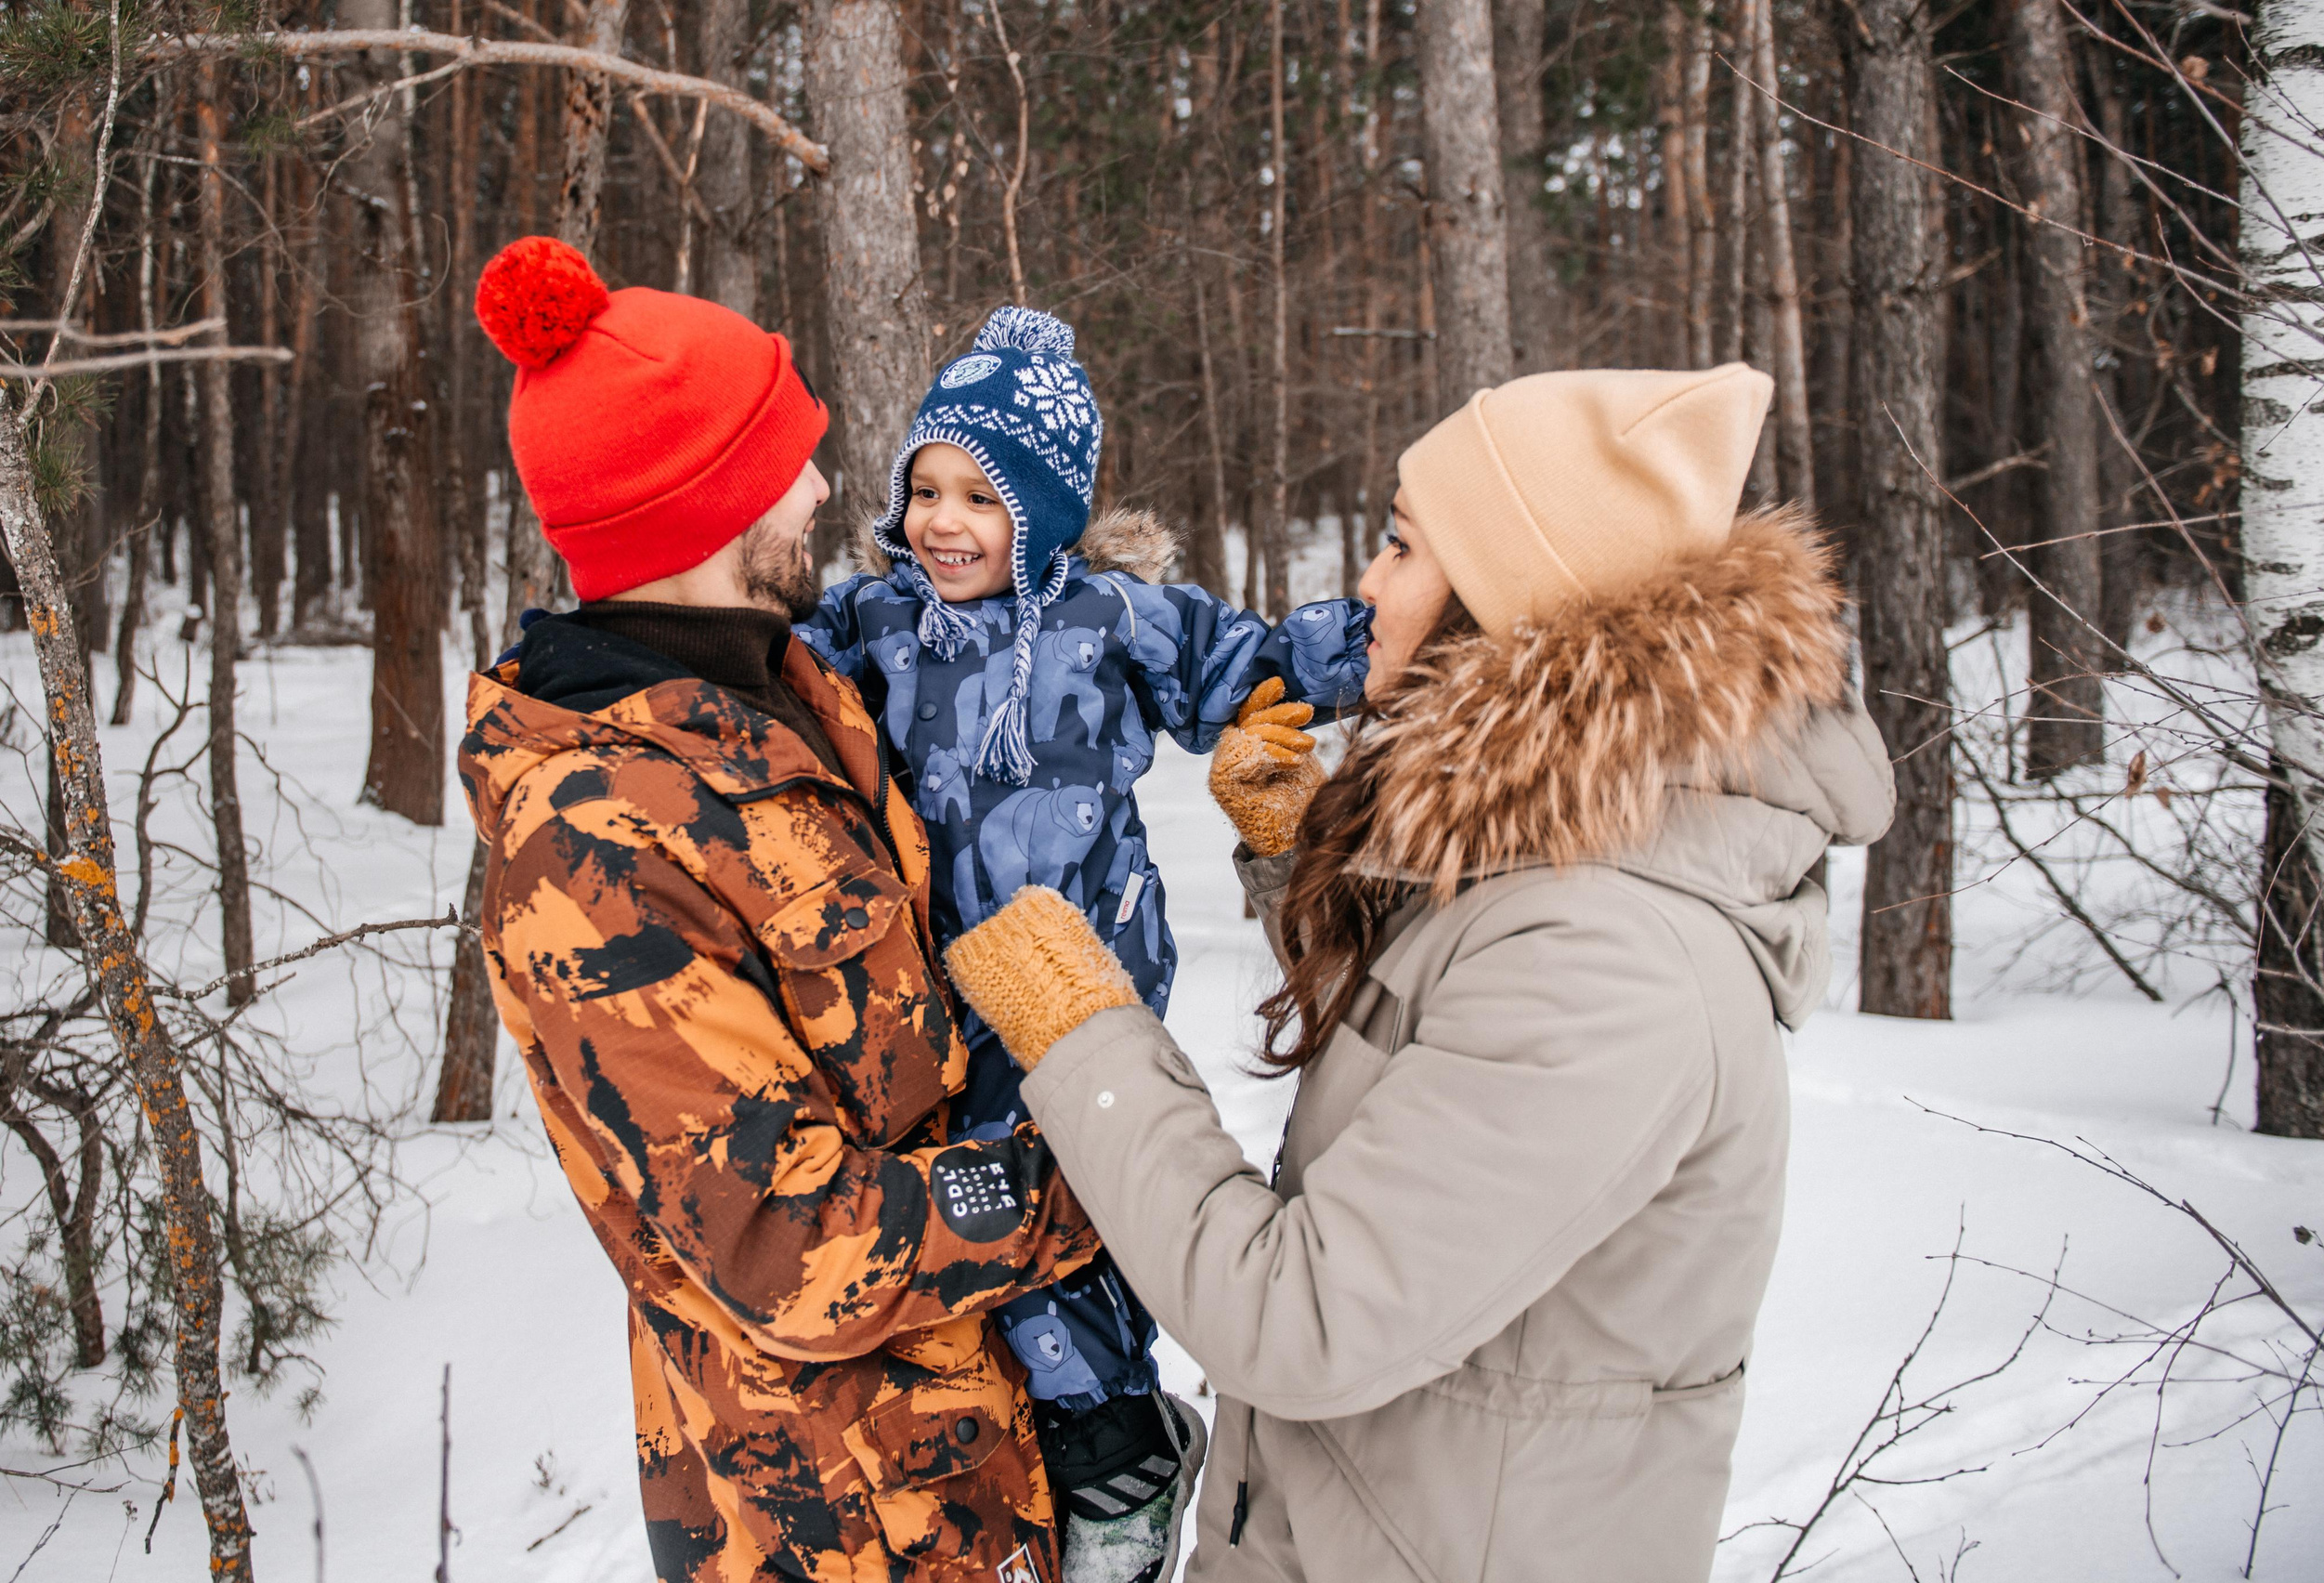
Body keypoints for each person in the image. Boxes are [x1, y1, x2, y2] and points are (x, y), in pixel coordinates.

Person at [936, 364, 1900, 1581]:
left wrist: (1085, 1039)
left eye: (1399, 547)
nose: (1368, 584)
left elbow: (1301, 1319)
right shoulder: (1567, 870)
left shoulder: (1619, 965)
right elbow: (1441, 1056)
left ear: (1515, 597)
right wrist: (1300, 865)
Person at [456, 236, 1103, 1583]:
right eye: (782, 464)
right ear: (699, 511)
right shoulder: (592, 843)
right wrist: (1098, 1184)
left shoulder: (785, 690)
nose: (817, 488)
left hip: (972, 1444)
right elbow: (784, 1239)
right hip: (833, 1513)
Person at [794, 306, 1370, 1581]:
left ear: (1044, 512)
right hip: (933, 984)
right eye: (925, 490)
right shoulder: (880, 622)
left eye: (981, 500)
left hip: (1086, 973)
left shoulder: (1113, 615)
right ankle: (1052, 1447)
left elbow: (1252, 668)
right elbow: (759, 677)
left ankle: (1122, 1461)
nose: (943, 523)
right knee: (969, 1217)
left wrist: (1366, 649)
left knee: (1068, 1199)